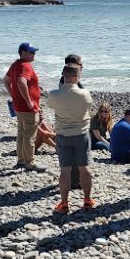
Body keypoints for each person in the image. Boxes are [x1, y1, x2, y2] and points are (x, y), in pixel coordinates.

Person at [47, 64, 94, 213]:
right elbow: (87, 107)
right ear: (77, 77)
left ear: (63, 75)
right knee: (84, 167)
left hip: (63, 134)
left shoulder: (54, 94)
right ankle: (87, 200)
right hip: (80, 133)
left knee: (65, 170)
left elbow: (51, 106)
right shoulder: (84, 94)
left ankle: (64, 202)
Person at [3, 43, 46, 172]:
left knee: (22, 133)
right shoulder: (26, 66)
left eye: (34, 52)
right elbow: (21, 82)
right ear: (23, 52)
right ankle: (30, 162)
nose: (34, 54)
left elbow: (6, 80)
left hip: (18, 106)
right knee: (29, 135)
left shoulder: (16, 64)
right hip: (27, 108)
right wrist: (29, 101)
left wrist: (13, 95)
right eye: (31, 52)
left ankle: (21, 160)